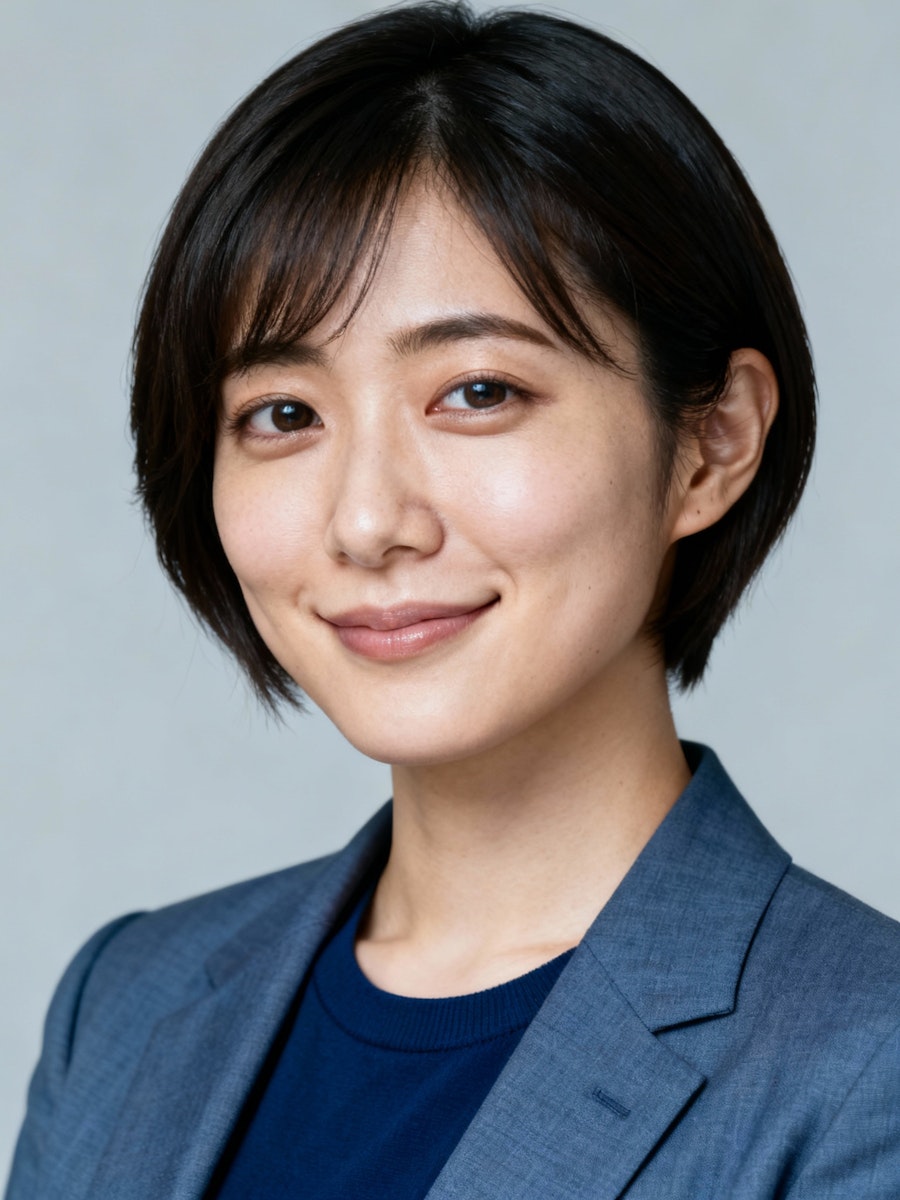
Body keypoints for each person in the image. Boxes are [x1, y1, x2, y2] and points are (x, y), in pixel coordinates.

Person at [6, 3, 899, 1197]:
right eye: (284, 415)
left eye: (476, 391)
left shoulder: (862, 1067)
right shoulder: (127, 1005)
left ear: (710, 445)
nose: (369, 520)